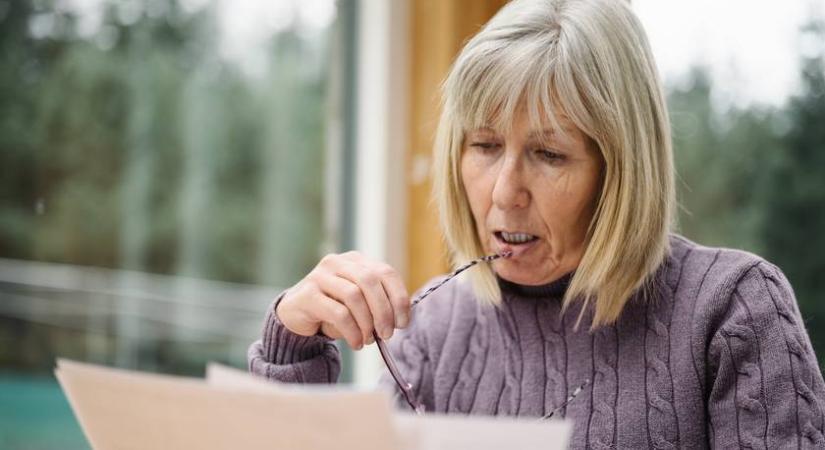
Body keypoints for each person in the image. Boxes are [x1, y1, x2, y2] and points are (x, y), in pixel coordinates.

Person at [247, 0, 825, 447]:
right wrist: (292, 353)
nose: (504, 192)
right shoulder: (432, 331)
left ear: (619, 170)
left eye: (549, 155)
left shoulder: (733, 312)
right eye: (484, 145)